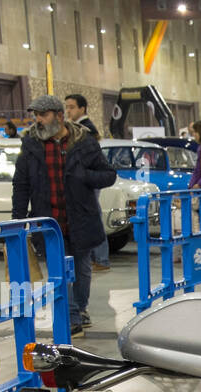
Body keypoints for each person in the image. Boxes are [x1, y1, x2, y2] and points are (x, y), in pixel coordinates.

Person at [11, 94, 117, 335]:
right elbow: (21, 183)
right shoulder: (30, 145)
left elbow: (108, 175)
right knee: (58, 270)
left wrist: (85, 176)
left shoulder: (84, 141)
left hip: (80, 218)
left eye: (43, 114)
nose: (38, 120)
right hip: (49, 222)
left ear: (59, 116)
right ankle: (71, 316)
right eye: (36, 115)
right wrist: (18, 219)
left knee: (81, 269)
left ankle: (80, 308)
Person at [65, 93, 108, 271]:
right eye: (66, 107)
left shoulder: (86, 129)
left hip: (87, 180)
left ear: (82, 108)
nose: (68, 110)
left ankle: (101, 259)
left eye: (72, 107)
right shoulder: (79, 127)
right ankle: (97, 258)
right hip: (84, 179)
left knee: (93, 216)